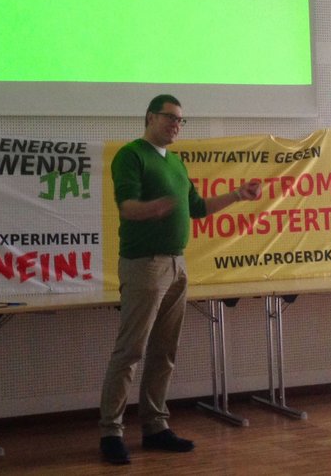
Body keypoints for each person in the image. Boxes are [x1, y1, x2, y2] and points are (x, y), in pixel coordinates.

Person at [99, 94, 262, 465]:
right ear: (150, 117)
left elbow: (198, 208)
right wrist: (152, 208)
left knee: (165, 351)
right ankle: (111, 432)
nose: (176, 125)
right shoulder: (132, 155)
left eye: (180, 120)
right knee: (131, 351)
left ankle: (155, 426)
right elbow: (126, 206)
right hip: (144, 265)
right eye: (170, 117)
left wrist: (238, 195)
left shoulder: (175, 162)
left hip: (176, 265)